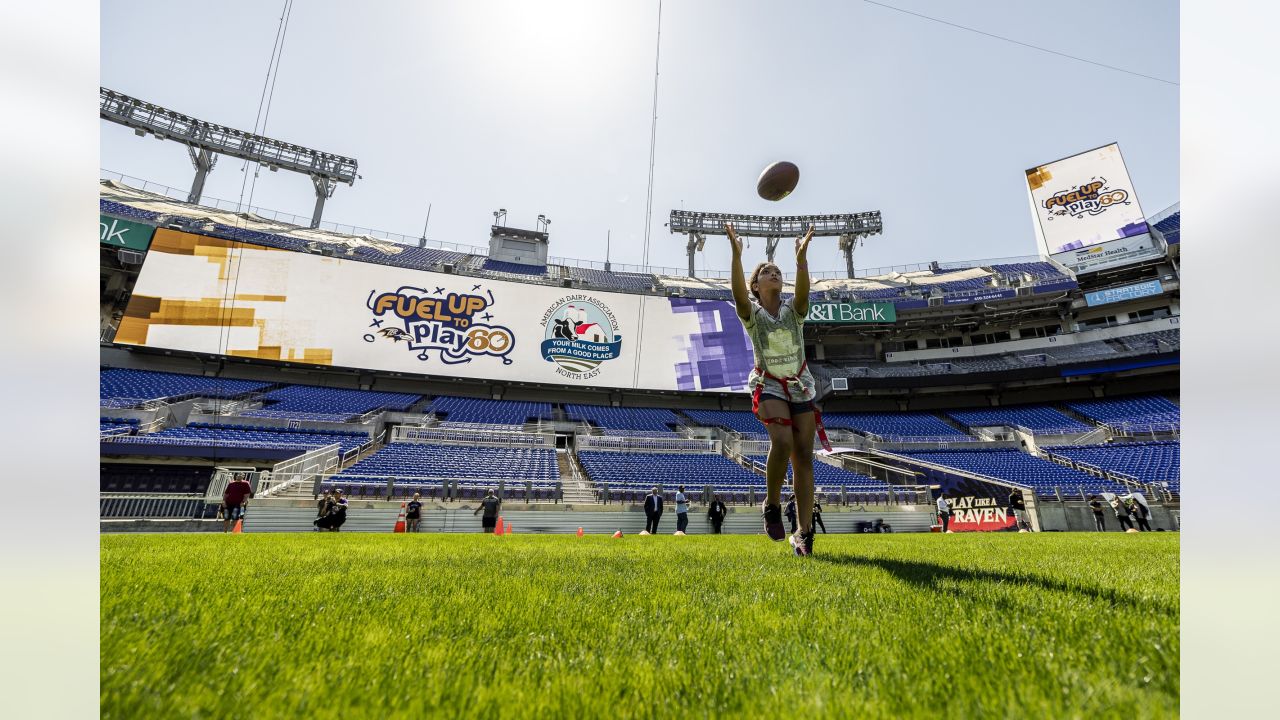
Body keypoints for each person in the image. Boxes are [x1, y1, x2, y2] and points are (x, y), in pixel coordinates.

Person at [727, 222, 827, 557]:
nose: (774, 273)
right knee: (782, 441)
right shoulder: (752, 313)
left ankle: (804, 533)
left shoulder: (792, 311)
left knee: (804, 459)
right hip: (769, 382)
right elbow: (737, 294)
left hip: (801, 384)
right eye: (766, 271)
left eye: (777, 270)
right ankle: (771, 504)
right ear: (755, 284)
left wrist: (801, 259)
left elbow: (803, 294)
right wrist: (737, 255)